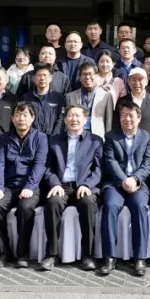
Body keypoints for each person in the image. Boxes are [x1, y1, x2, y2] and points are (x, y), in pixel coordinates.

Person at [41, 105, 102, 271]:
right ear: (65, 119)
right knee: (52, 203)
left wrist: (87, 184)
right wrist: (55, 183)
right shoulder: (54, 140)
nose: (74, 119)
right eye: (70, 116)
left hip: (84, 185)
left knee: (88, 203)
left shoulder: (95, 141)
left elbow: (99, 169)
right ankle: (52, 254)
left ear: (85, 120)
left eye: (78, 116)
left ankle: (88, 255)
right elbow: (47, 167)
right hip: (62, 185)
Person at [0, 101, 47, 268]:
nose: (21, 119)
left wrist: (29, 186)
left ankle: (23, 253)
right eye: (18, 115)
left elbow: (39, 164)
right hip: (8, 185)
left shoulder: (41, 138)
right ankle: (3, 251)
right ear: (12, 118)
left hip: (30, 185)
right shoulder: (4, 138)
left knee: (25, 208)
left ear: (32, 118)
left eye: (25, 115)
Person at [98, 103, 150, 277]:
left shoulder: (147, 137)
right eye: (124, 115)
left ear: (139, 118)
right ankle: (109, 257)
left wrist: (135, 179)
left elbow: (149, 162)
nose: (127, 119)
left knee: (140, 207)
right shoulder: (111, 136)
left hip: (138, 184)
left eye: (131, 116)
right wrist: (124, 180)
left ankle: (140, 258)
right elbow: (110, 161)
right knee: (110, 206)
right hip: (115, 183)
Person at [66, 62, 115, 139]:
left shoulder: (106, 95)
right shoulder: (70, 96)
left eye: (90, 74)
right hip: (76, 135)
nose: (87, 77)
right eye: (84, 74)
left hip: (97, 136)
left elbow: (109, 121)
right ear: (80, 77)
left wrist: (108, 139)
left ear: (96, 75)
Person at [23, 64, 66, 136]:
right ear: (34, 78)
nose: (42, 78)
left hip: (54, 138)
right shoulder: (26, 98)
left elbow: (61, 119)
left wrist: (55, 136)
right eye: (39, 75)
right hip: (32, 137)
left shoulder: (58, 98)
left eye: (45, 75)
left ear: (50, 78)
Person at [118, 67, 150, 137]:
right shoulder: (122, 101)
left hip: (148, 142)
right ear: (129, 82)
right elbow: (116, 124)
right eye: (133, 79)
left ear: (146, 82)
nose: (137, 83)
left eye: (140, 79)